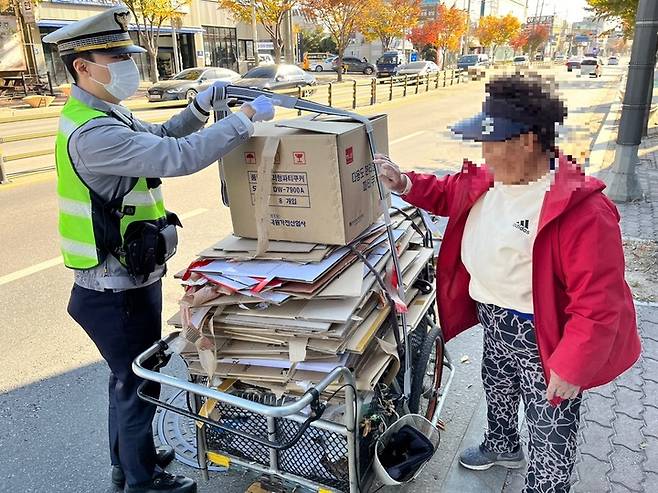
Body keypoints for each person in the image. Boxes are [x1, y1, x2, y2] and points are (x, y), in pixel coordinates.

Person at [43, 6, 275, 493]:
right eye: (116, 56)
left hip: (119, 278)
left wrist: (198, 108)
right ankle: (142, 481)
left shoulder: (104, 114)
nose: (128, 65)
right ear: (82, 66)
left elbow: (166, 135)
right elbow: (179, 157)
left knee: (127, 379)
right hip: (114, 287)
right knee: (138, 383)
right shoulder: (95, 133)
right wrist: (244, 119)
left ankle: (129, 459)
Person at [375, 73, 641, 493]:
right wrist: (404, 183)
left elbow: (599, 303)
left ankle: (546, 486)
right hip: (496, 316)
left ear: (528, 143)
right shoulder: (492, 176)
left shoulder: (582, 209)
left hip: (545, 332)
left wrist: (573, 365)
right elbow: (448, 193)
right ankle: (502, 444)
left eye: (492, 142)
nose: (483, 152)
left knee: (549, 420)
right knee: (496, 383)